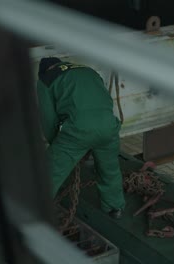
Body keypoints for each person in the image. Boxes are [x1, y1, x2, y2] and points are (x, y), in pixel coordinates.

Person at [36, 57, 125, 219]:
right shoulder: (88, 71)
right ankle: (114, 207)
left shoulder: (45, 80)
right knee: (109, 169)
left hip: (79, 130)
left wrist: (55, 143)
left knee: (51, 171)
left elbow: (48, 119)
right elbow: (103, 99)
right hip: (109, 127)